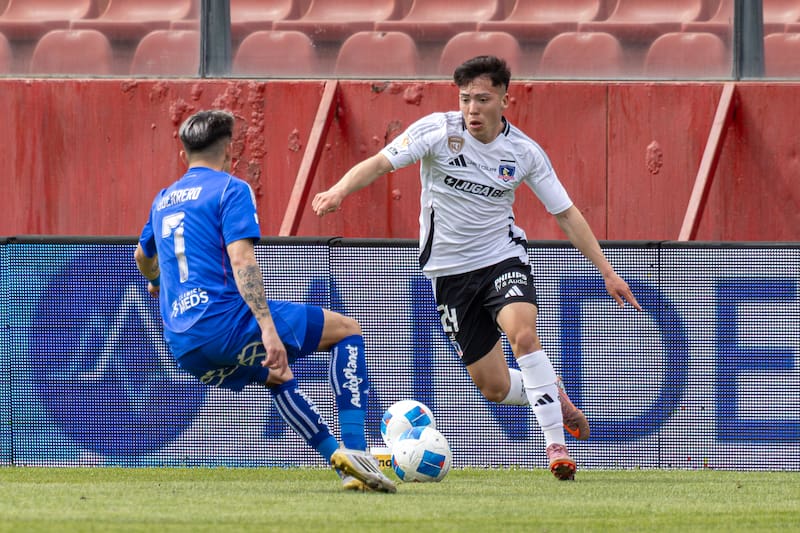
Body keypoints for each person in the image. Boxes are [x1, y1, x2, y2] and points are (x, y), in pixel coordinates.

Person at [312, 55, 642, 481]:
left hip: (502, 258)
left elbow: (565, 213)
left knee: (523, 335)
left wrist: (607, 271)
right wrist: (339, 190)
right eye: (465, 99)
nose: (472, 109)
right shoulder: (436, 132)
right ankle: (550, 395)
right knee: (496, 387)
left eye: (483, 99)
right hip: (449, 275)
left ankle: (555, 445)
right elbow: (379, 162)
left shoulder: (524, 153)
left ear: (506, 98)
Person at [134, 109, 395, 493]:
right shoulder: (230, 189)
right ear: (230, 151)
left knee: (277, 376)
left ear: (182, 155)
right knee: (346, 332)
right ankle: (358, 452)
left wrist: (155, 282)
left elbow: (142, 257)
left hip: (183, 345)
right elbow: (242, 261)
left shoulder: (162, 200)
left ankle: (341, 465)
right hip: (227, 324)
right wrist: (268, 330)